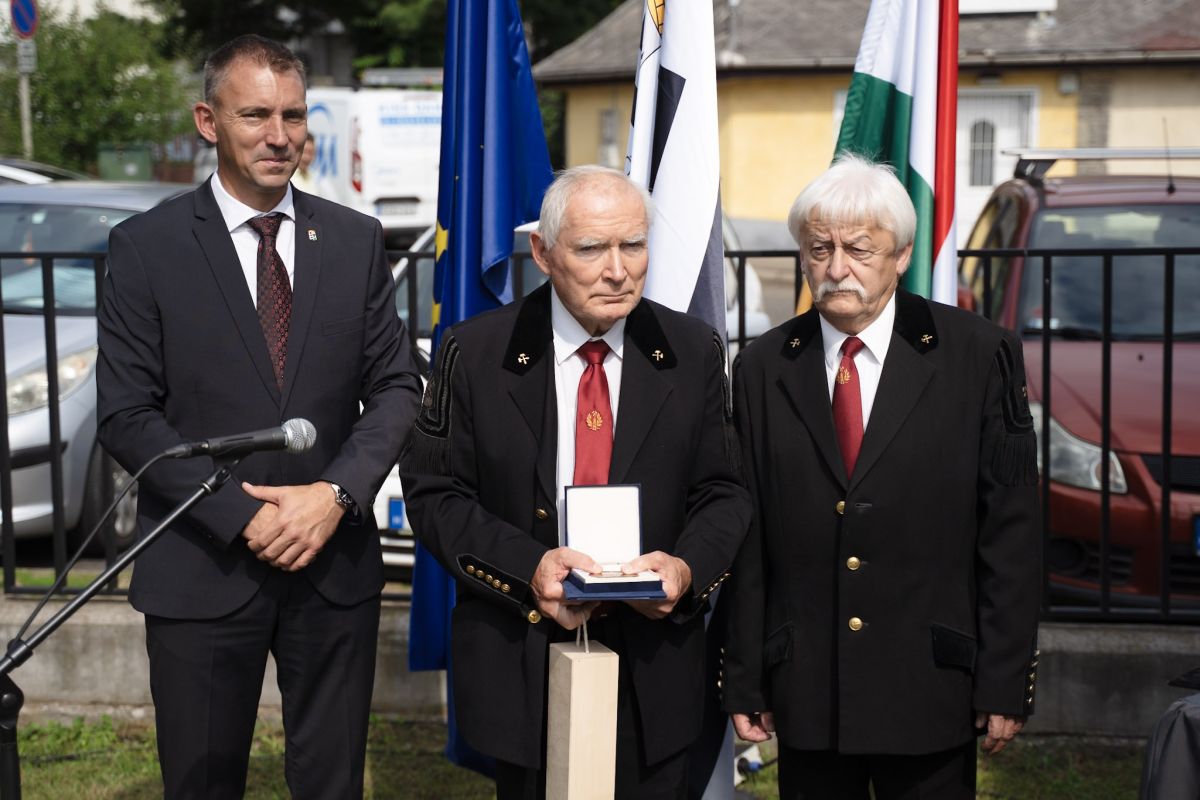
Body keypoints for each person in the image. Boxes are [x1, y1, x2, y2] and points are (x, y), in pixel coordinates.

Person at [96, 34, 422, 799]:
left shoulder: (353, 241)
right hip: (201, 567)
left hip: (332, 565)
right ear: (208, 121)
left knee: (332, 783)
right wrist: (242, 515)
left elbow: (397, 387)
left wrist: (334, 496)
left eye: (294, 116)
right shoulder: (147, 248)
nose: (280, 136)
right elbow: (128, 414)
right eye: (256, 116)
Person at [399, 165, 751, 799]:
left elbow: (724, 491)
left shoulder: (692, 350)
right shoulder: (475, 353)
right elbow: (436, 495)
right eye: (591, 249)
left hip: (655, 668)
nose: (618, 270)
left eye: (633, 245)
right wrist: (529, 569)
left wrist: (685, 570)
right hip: (524, 658)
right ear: (542, 252)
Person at [722, 154, 1041, 799]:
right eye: (820, 249)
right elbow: (748, 537)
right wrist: (746, 677)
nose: (837, 268)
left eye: (859, 250)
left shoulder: (979, 355)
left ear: (901, 255)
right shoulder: (762, 367)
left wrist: (1004, 679)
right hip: (808, 688)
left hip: (931, 686)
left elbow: (1010, 531)